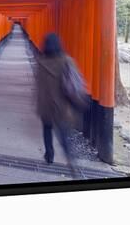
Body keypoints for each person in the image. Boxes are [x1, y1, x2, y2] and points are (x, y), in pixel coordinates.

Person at [35, 33, 84, 179]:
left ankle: (49, 155)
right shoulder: (66, 61)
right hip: (62, 107)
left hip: (45, 105)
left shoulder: (40, 61)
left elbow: (39, 84)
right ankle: (71, 161)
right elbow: (74, 84)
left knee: (47, 130)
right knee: (64, 136)